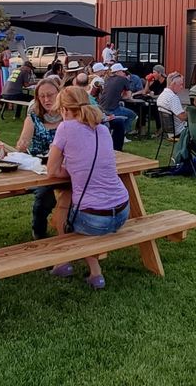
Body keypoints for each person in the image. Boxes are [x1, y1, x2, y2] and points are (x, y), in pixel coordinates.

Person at [47, 86, 131, 290]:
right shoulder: (102, 128)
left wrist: (71, 169)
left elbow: (52, 171)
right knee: (72, 203)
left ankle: (69, 264)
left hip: (96, 219)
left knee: (62, 213)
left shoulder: (65, 128)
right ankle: (89, 272)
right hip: (122, 211)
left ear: (65, 110)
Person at [16, 79, 63, 239]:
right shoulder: (33, 118)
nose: (46, 100)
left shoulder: (68, 116)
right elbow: (23, 143)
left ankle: (74, 227)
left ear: (59, 94)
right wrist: (22, 145)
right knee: (44, 194)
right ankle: (39, 231)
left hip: (65, 167)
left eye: (50, 95)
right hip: (40, 169)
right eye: (42, 96)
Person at [98, 63, 136, 133]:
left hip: (102, 108)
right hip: (112, 109)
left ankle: (116, 131)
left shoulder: (107, 79)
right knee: (132, 115)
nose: (124, 73)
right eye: (122, 71)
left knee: (123, 110)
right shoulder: (123, 79)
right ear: (118, 72)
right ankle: (124, 133)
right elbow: (129, 96)